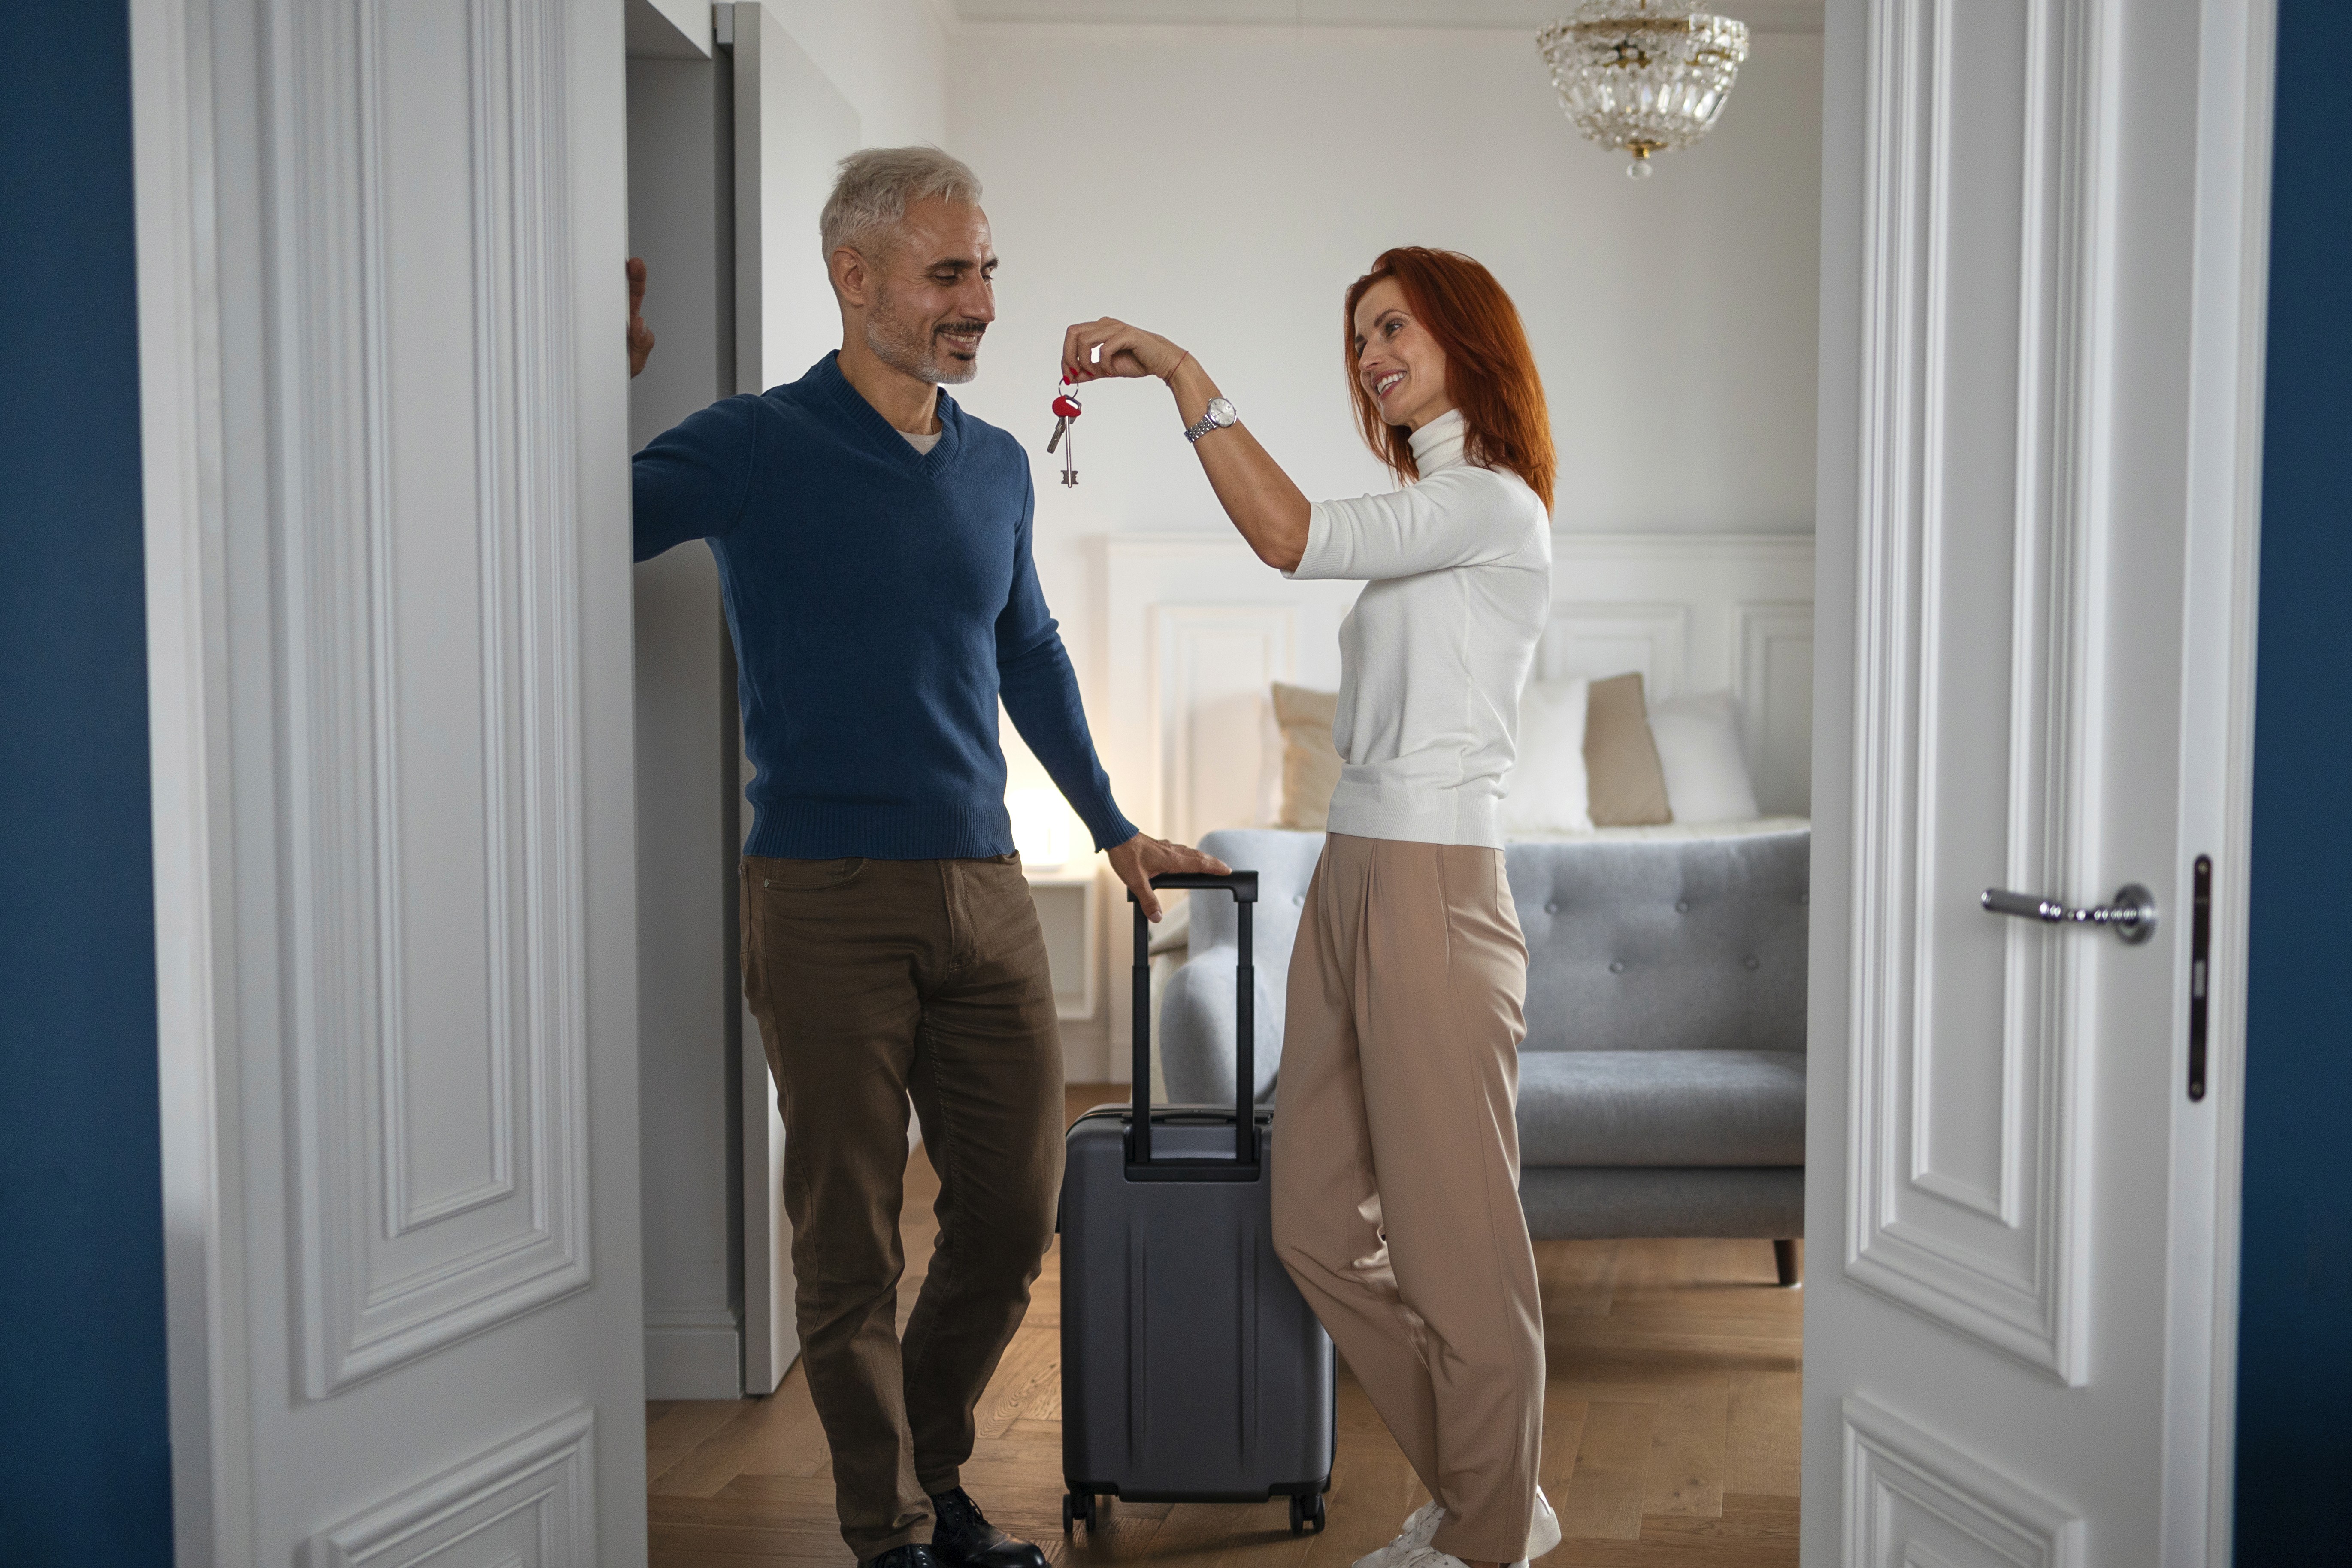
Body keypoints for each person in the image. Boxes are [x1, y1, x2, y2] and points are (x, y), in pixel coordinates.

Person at [630, 146, 1225, 1568]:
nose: (982, 304)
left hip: (984, 882)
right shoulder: (754, 442)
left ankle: (932, 1465)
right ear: (855, 276)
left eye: (988, 271)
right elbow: (559, 527)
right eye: (950, 272)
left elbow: (1026, 651)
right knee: (848, 1239)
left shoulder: (999, 464)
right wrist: (595, 373)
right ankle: (894, 1528)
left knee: (1015, 1212)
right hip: (821, 895)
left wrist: (1108, 824)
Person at [1059, 248, 1562, 1568]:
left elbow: (1290, 538)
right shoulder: (1433, 514)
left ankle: (1488, 1531)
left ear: (1463, 335)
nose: (1370, 357)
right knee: (1310, 1223)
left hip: (1435, 893)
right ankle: (1488, 1484)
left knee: (1460, 1253)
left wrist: (1178, 368)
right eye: (1357, 340)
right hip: (1351, 874)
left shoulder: (1492, 506)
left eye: (1390, 328)